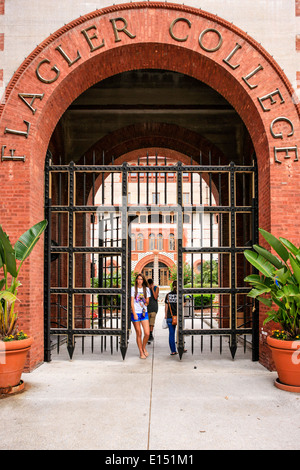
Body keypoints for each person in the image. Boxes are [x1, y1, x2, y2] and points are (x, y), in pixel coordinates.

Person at [131, 273, 151, 359]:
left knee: (147, 333)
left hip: (144, 313)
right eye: (138, 279)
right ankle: (140, 352)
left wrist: (143, 299)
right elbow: (132, 302)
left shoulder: (146, 289)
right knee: (139, 333)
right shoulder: (133, 289)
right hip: (136, 313)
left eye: (141, 279)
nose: (140, 281)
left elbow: (147, 303)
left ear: (143, 280)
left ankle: (143, 347)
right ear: (136, 280)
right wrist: (134, 313)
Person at [164, 280, 187, 356]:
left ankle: (173, 351)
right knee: (180, 333)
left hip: (170, 317)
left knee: (171, 334)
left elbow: (166, 307)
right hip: (179, 317)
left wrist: (166, 316)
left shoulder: (168, 295)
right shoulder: (181, 295)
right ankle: (181, 348)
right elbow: (183, 305)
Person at [147, 278, 159, 343]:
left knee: (151, 322)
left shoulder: (156, 288)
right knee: (147, 323)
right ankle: (148, 334)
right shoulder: (146, 289)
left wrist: (152, 289)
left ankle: (150, 334)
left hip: (154, 307)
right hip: (147, 308)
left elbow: (155, 297)